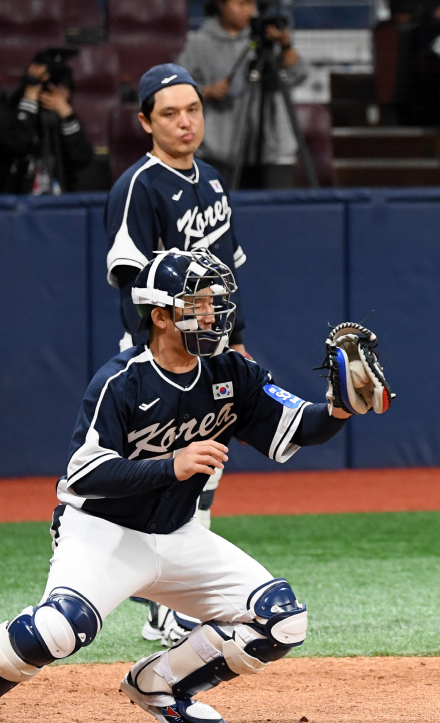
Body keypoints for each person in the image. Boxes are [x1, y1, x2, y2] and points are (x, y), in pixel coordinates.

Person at [0, 250, 359, 723]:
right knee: (61, 629)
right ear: (160, 316)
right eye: (197, 303)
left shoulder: (234, 372)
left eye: (215, 302)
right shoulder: (121, 381)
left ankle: (159, 685)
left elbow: (299, 425)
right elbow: (85, 476)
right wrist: (172, 464)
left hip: (176, 535)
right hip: (103, 534)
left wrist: (340, 408)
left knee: (281, 621)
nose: (211, 314)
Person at [104, 64, 251, 636]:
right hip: (163, 355)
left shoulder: (211, 179)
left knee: (205, 470)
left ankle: (176, 597)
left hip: (210, 348)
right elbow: (132, 283)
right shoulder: (137, 187)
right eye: (169, 113)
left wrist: (234, 341)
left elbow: (226, 278)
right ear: (145, 122)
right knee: (160, 474)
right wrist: (156, 356)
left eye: (192, 109)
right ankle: (163, 600)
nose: (185, 122)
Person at [177, 0, 309, 189]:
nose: (249, 11)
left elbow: (299, 76)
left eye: (251, 5)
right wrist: (206, 91)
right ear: (221, 5)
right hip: (220, 149)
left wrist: (286, 46)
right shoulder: (198, 42)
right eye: (241, 4)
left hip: (270, 148)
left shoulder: (267, 38)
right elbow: (175, 90)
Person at [0, 48, 93, 194]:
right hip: (17, 202)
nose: (58, 95)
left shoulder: (62, 117)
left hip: (61, 202)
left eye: (64, 89)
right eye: (52, 87)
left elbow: (83, 158)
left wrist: (67, 115)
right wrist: (30, 98)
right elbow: (18, 144)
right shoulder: (7, 114)